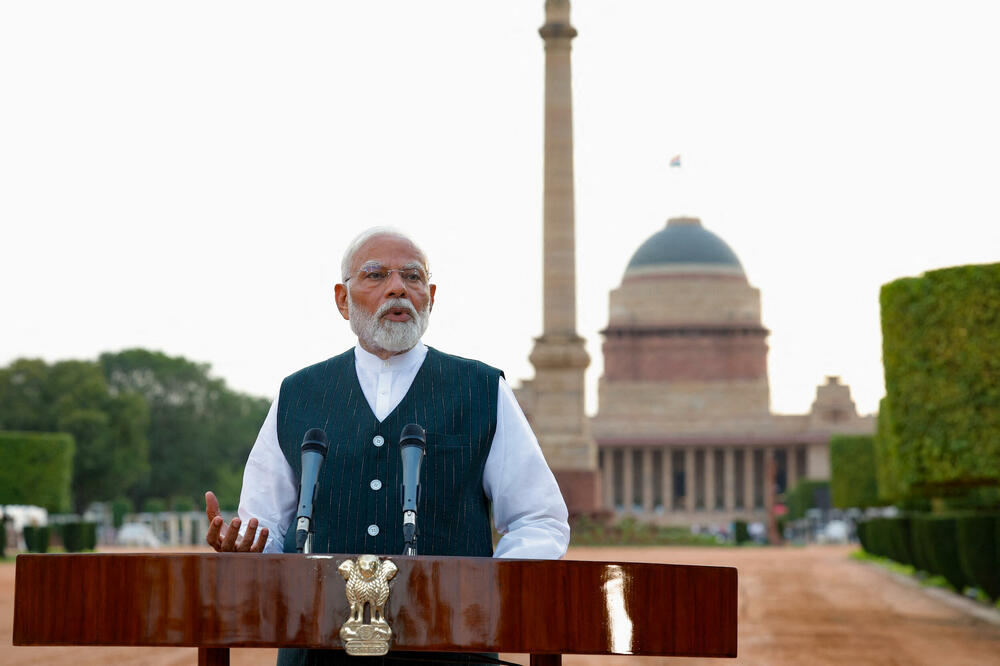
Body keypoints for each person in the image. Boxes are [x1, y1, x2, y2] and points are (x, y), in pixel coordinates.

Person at [204, 227, 570, 663]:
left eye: (412, 277)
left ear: (430, 296)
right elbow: (265, 525)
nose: (397, 288)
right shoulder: (299, 394)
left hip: (449, 652)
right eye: (375, 275)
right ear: (343, 300)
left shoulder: (481, 389)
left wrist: (484, 599)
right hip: (318, 651)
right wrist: (246, 550)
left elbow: (538, 519)